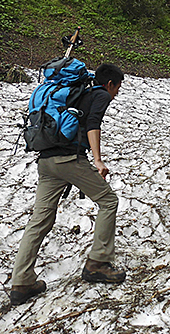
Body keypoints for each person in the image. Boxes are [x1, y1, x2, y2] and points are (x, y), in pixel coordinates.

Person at [10, 63, 126, 306]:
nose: (116, 94)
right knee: (108, 202)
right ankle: (98, 263)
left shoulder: (73, 94)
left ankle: (21, 281)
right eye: (117, 88)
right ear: (110, 84)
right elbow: (93, 123)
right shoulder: (100, 94)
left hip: (46, 161)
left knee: (39, 220)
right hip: (69, 159)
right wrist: (97, 160)